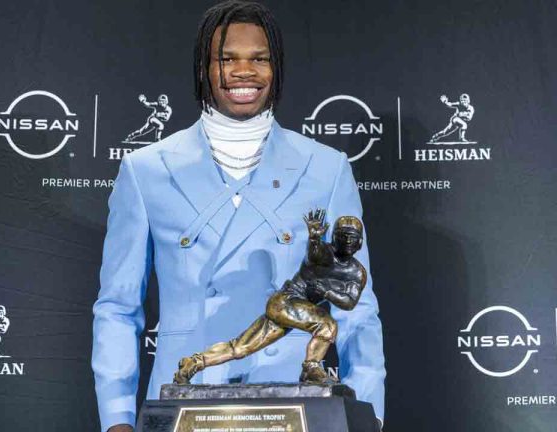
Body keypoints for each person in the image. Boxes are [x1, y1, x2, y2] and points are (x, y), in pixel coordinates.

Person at [92, 2, 386, 431]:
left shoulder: (326, 168)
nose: (243, 71)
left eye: (259, 58)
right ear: (203, 67)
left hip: (297, 406)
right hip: (185, 407)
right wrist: (117, 418)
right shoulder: (145, 170)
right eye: (226, 58)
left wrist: (369, 413)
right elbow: (118, 308)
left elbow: (359, 311)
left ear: (276, 67)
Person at [173, 210, 367, 385]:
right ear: (334, 237)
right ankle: (311, 368)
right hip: (285, 302)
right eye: (343, 236)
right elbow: (314, 254)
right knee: (327, 325)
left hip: (291, 310)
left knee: (240, 348)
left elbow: (349, 302)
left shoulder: (357, 272)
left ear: (359, 241)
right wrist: (314, 238)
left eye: (352, 237)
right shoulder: (324, 253)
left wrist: (326, 292)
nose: (348, 241)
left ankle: (193, 362)